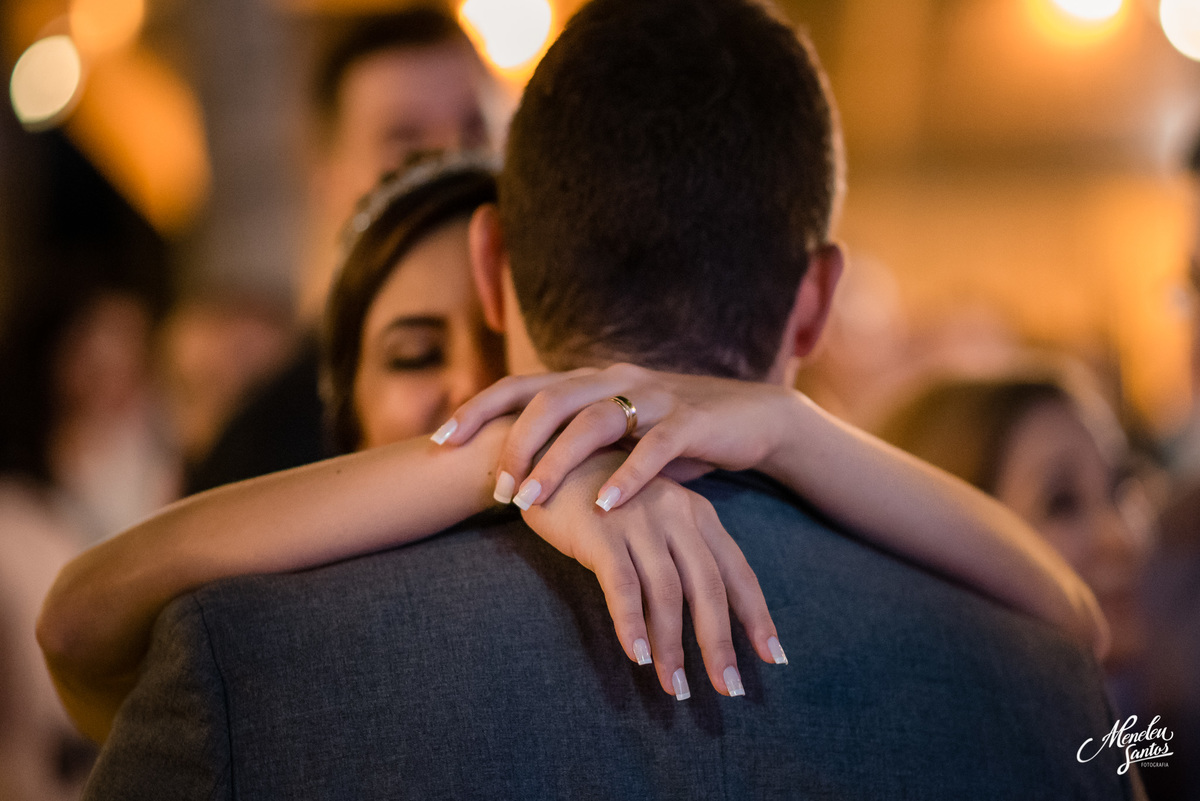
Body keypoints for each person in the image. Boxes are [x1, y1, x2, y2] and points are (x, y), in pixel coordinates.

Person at [73, 1, 1135, 795]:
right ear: (813, 306)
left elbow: (81, 627)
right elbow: (1081, 636)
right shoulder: (1048, 695)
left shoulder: (249, 670)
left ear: (494, 268)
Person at [187, 6, 499, 492]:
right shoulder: (264, 446)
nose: (453, 161)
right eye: (409, 146)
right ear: (328, 179)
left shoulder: (565, 349)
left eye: (472, 131)